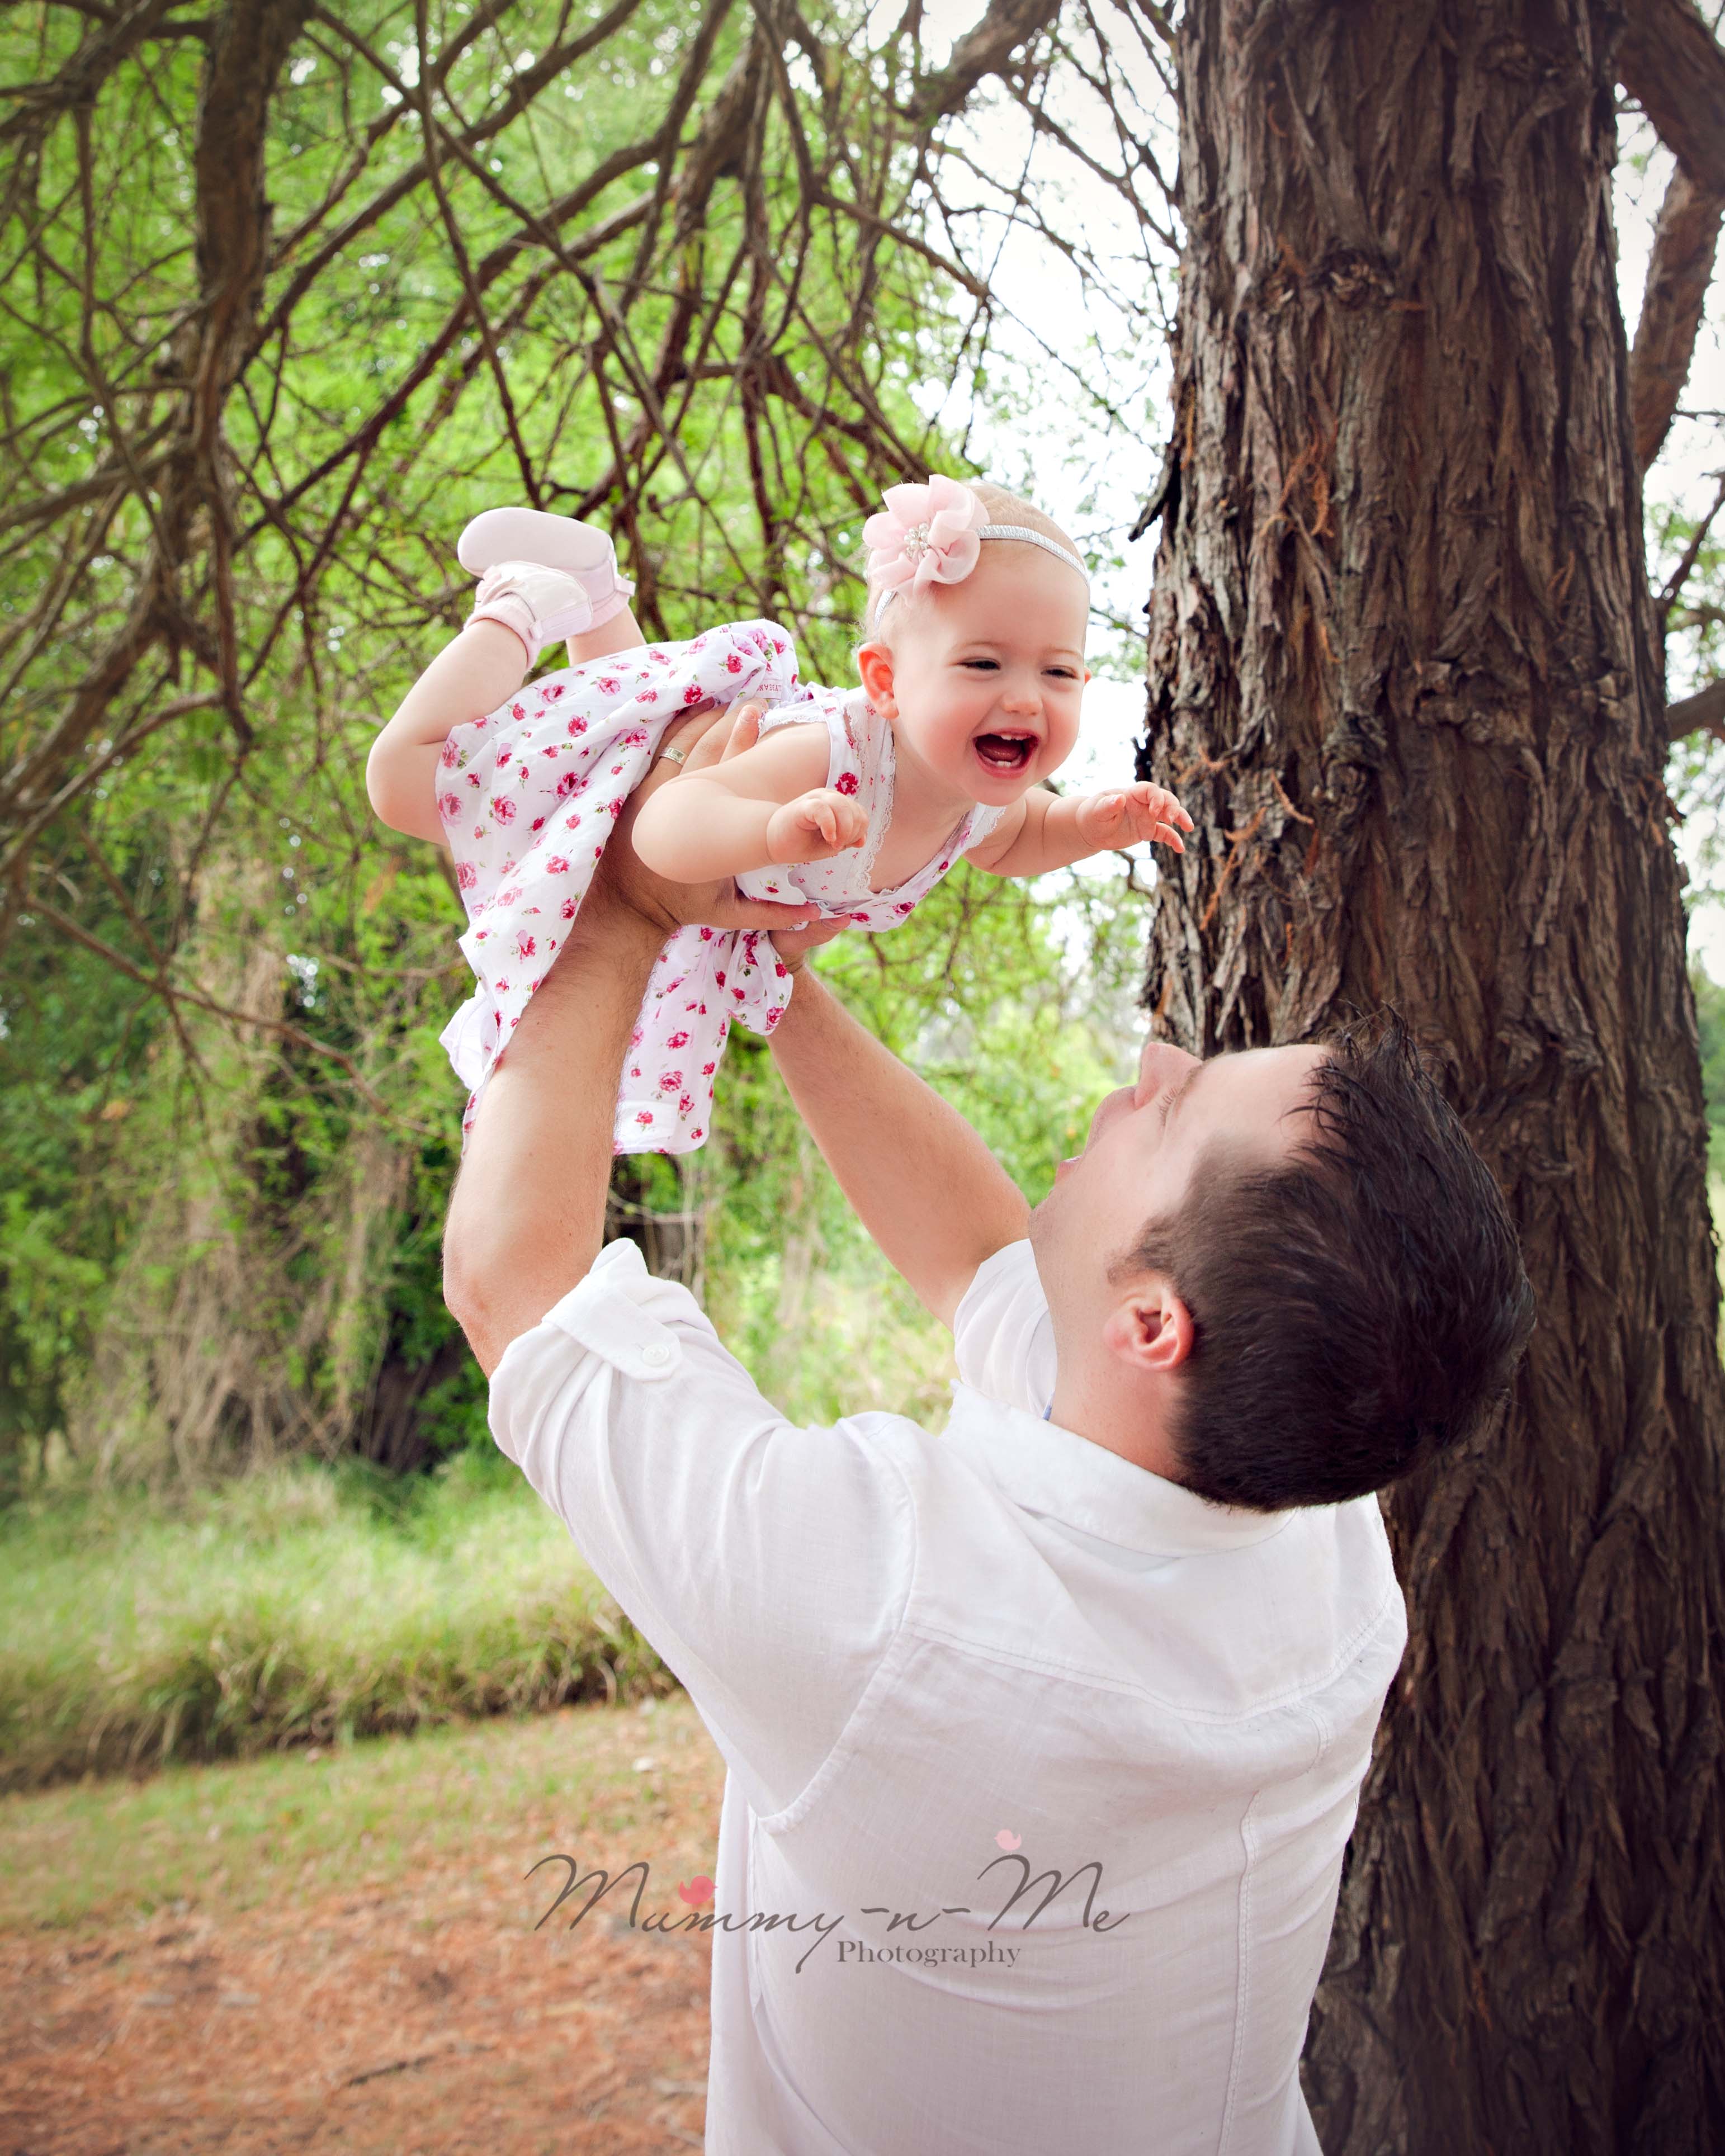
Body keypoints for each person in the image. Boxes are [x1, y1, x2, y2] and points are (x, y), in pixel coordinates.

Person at [441, 703, 1534, 2156]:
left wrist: (629, 907)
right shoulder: (1309, 1508)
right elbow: (980, 1264)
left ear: (1154, 1325)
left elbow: (517, 1287)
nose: (1149, 1059)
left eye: (1179, 1107)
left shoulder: (889, 1621)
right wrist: (767, 981)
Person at [365, 475, 1192, 1151]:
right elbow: (663, 828)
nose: (1024, 696)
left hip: (660, 773)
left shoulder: (977, 806)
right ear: (886, 684)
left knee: (635, 736)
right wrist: (765, 829)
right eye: (982, 662)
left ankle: (593, 594)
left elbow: (1021, 840)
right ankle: (518, 607)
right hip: (663, 798)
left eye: (1057, 673)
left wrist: (1092, 824)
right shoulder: (828, 756)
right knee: (404, 784)